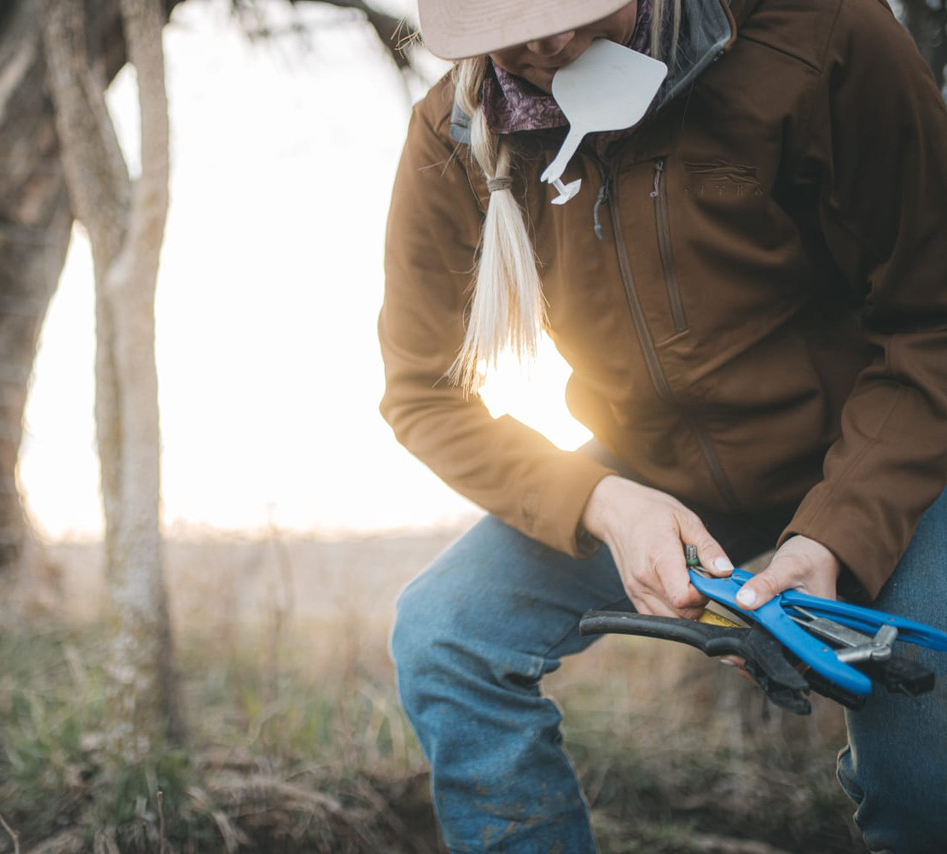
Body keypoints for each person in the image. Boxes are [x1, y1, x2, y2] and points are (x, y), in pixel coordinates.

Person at [379, 0, 947, 850]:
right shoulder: (451, 137)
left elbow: (931, 321)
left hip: (870, 448)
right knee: (444, 637)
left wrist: (836, 534)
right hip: (658, 469)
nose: (545, 41)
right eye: (507, 22)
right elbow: (421, 392)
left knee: (922, 775)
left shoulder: (822, 37)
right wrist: (604, 502)